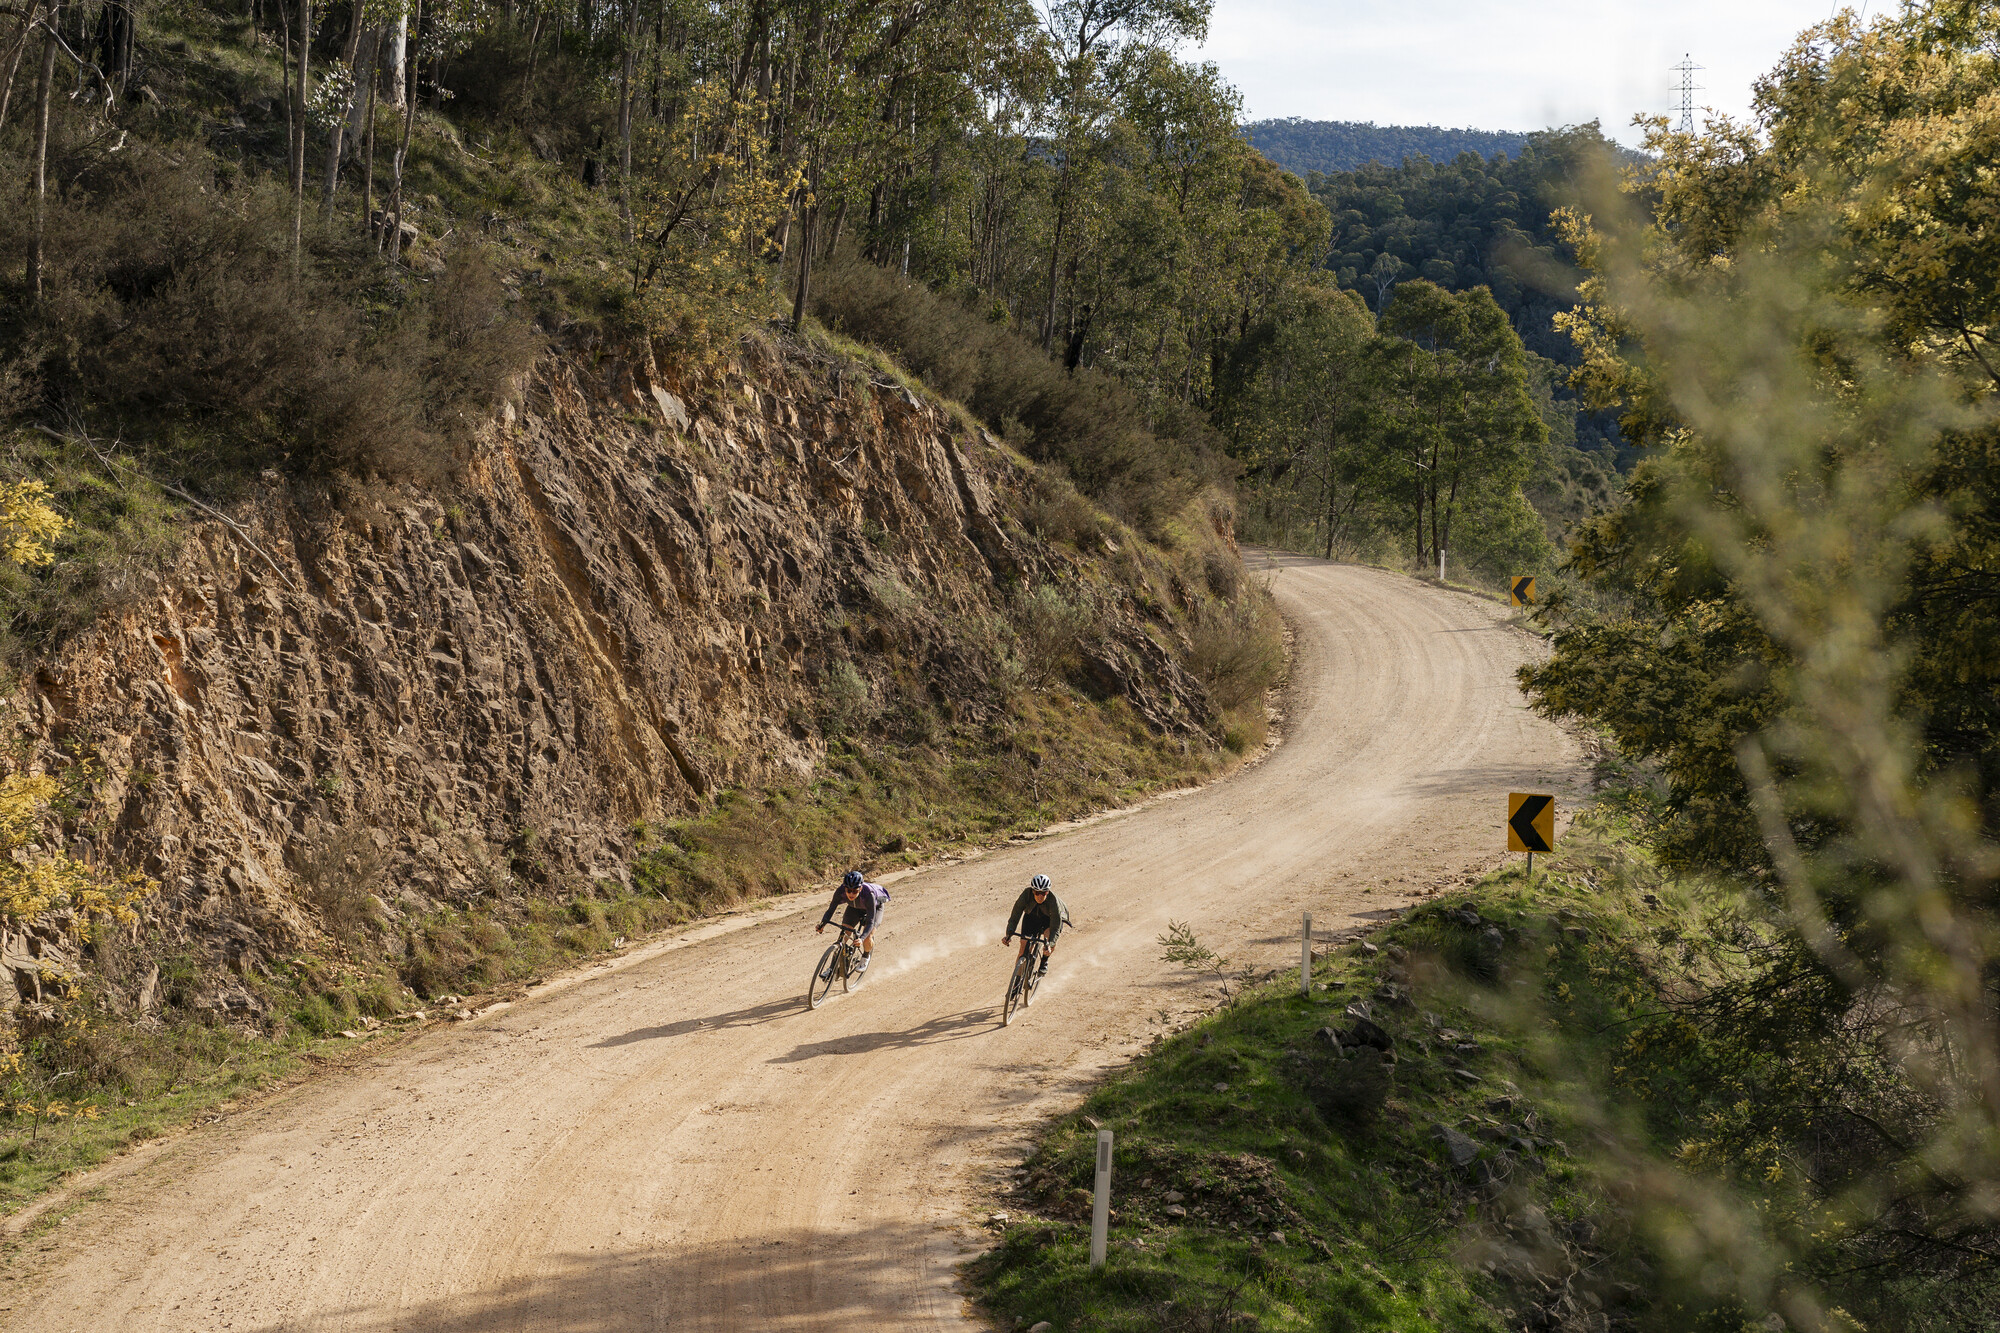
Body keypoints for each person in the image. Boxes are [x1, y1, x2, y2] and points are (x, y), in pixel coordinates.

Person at [817, 869, 888, 973]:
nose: (851, 893)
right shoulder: (840, 891)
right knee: (844, 935)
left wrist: (862, 939)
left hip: (874, 908)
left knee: (868, 936)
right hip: (854, 906)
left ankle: (865, 957)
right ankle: (831, 968)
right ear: (844, 888)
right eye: (848, 890)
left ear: (860, 889)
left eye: (855, 891)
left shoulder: (869, 895)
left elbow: (870, 921)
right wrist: (822, 924)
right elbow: (830, 910)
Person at [1001, 873, 1068, 976]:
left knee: (1049, 936)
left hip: (1049, 919)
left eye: (1043, 893)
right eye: (1037, 893)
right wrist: (1008, 934)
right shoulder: (1026, 895)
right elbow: (1015, 915)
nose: (1040, 896)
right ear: (1033, 891)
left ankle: (1044, 961)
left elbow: (1055, 928)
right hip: (1032, 916)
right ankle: (1015, 985)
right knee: (1023, 947)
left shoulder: (1054, 903)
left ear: (1048, 892)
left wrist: (1049, 945)